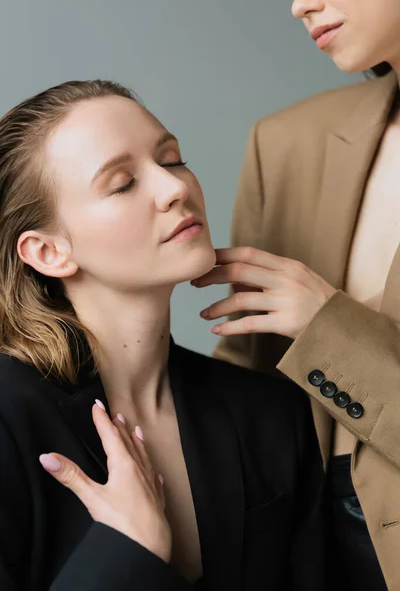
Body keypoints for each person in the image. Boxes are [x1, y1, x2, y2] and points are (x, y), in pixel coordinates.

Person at [0, 79, 325, 591]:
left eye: (171, 159)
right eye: (123, 183)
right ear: (47, 252)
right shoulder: (8, 417)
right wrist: (126, 547)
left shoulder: (271, 413)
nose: (176, 188)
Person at [192, 0, 400, 589]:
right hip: (293, 548)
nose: (300, 4)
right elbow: (247, 365)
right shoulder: (285, 142)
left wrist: (326, 325)